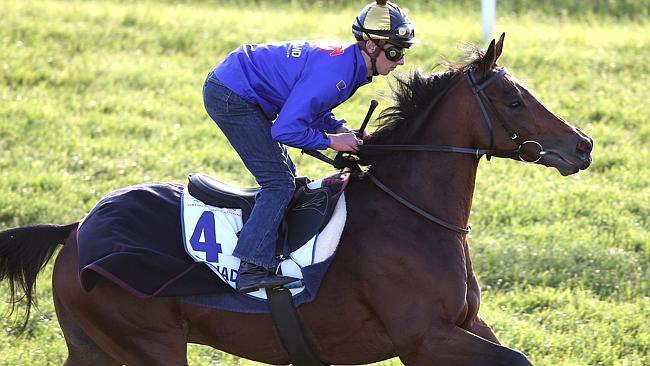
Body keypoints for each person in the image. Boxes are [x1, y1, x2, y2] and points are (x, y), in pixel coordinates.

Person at [202, 0, 417, 293]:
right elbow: (285, 129)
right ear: (370, 46)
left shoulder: (349, 65)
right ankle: (251, 268)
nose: (400, 60)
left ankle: (266, 238)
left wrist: (338, 128)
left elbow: (310, 104)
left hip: (239, 83)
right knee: (279, 183)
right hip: (231, 94)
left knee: (286, 175)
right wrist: (331, 141)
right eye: (396, 50)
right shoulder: (338, 73)